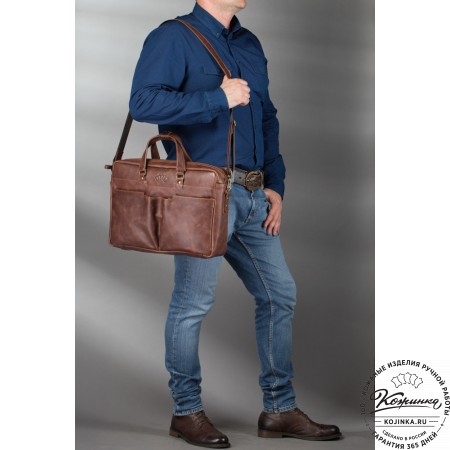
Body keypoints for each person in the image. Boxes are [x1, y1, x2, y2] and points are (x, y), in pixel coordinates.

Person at [129, 0, 341, 447]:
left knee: (279, 294)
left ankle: (279, 409)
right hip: (201, 195)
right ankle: (186, 412)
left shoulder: (249, 43)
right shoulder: (173, 36)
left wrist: (275, 184)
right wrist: (217, 98)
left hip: (252, 195)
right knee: (192, 304)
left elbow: (266, 116)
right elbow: (143, 101)